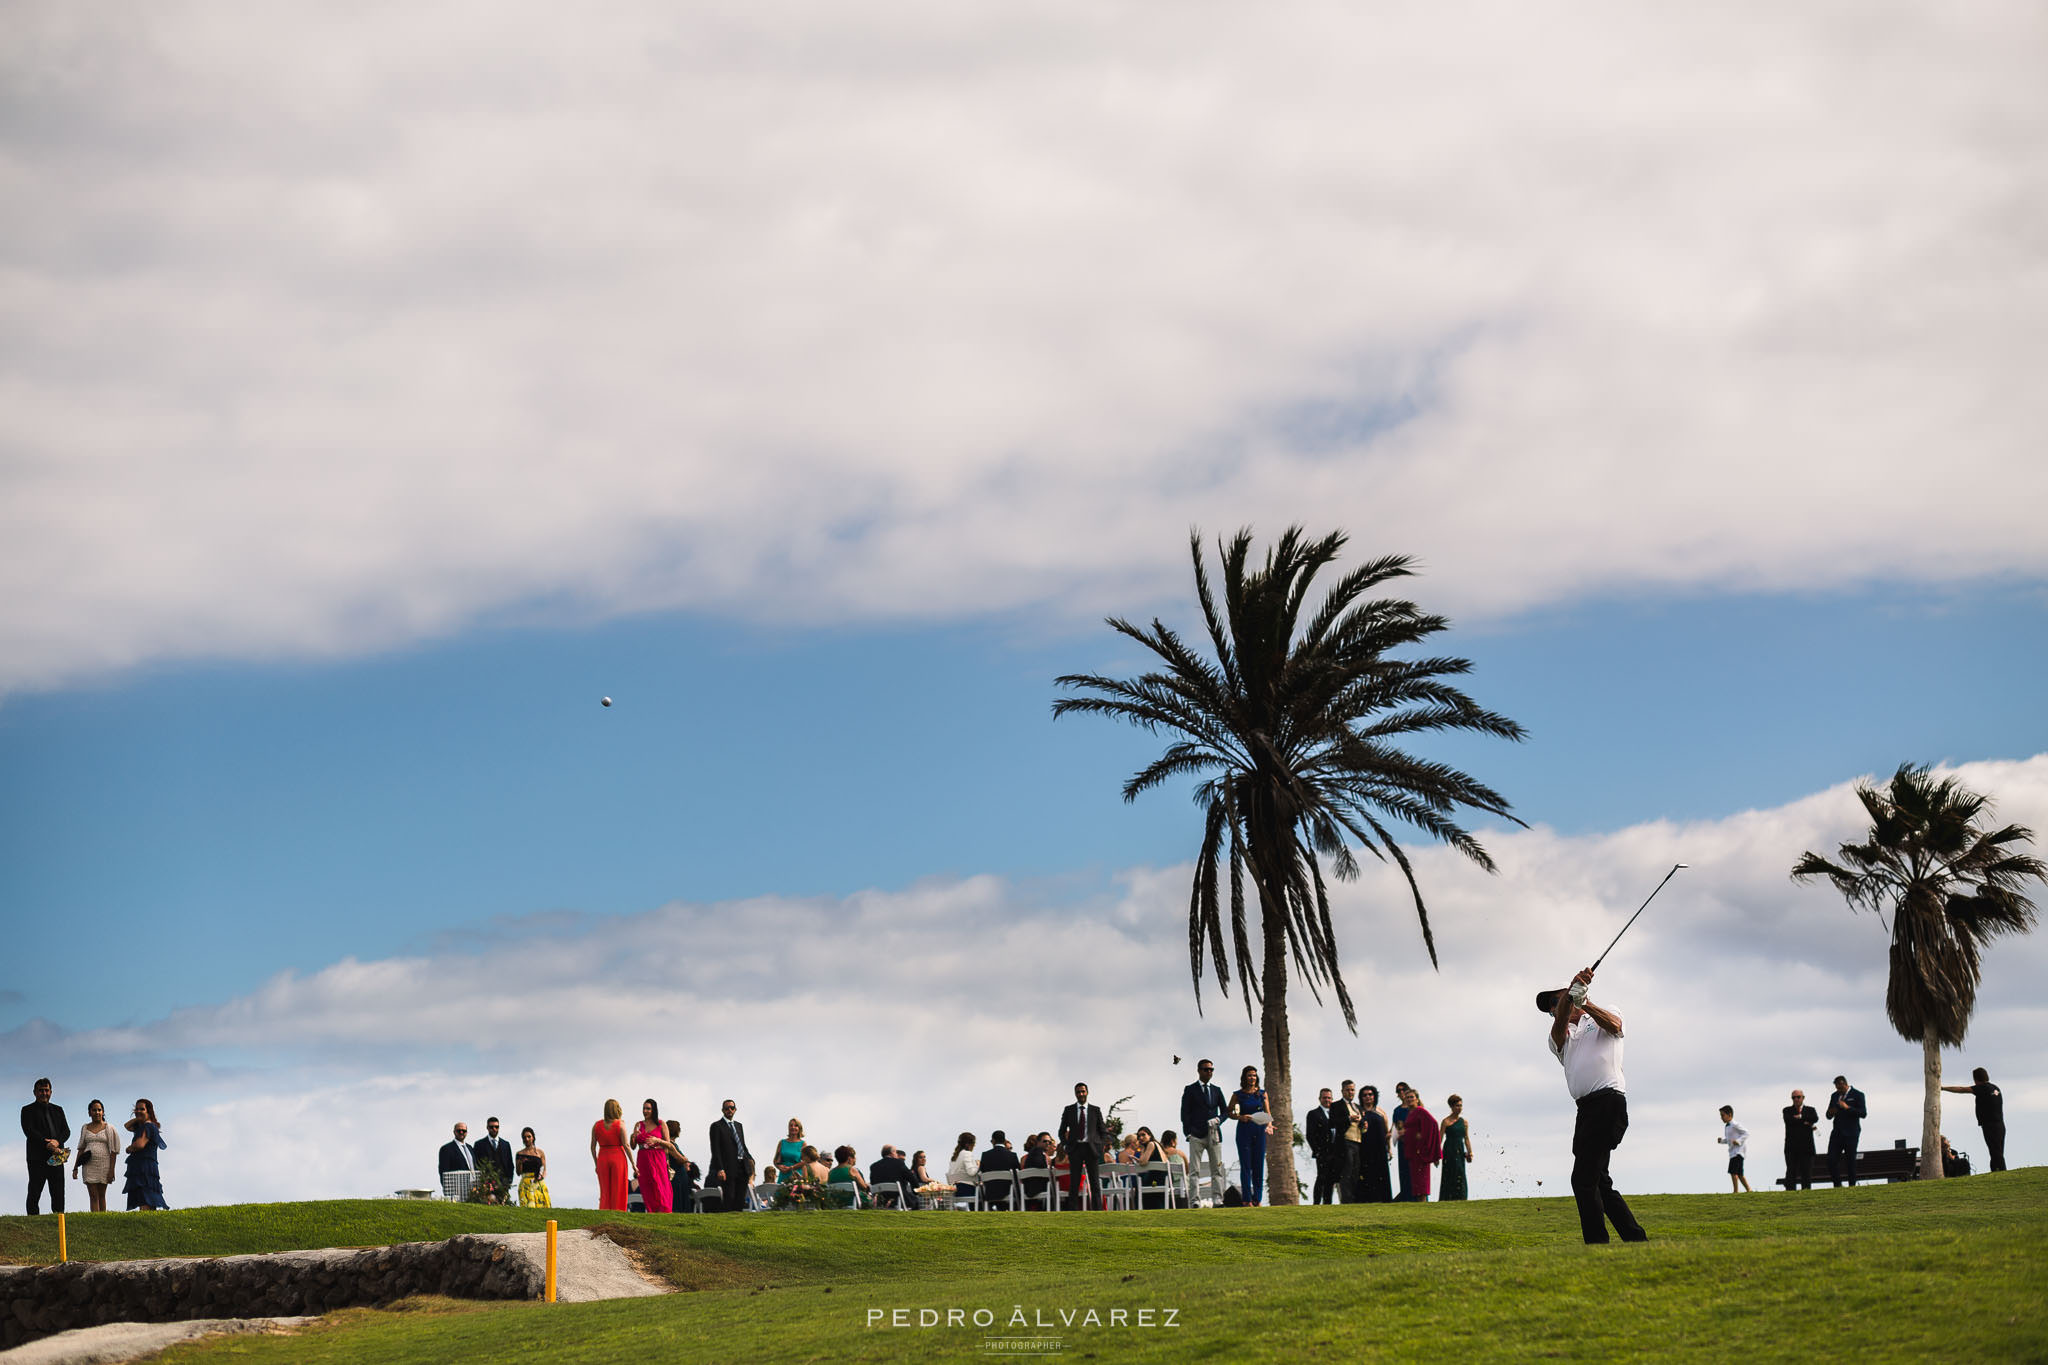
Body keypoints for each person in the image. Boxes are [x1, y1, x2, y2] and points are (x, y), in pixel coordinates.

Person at [1541, 966, 1648, 1244]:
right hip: (1586, 1111)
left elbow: (1615, 1026)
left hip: (1608, 1102)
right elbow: (1558, 1030)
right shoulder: (1558, 1037)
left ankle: (1597, 1245)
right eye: (1552, 1005)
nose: (1553, 1008)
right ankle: (1636, 1239)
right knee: (1599, 1180)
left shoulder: (1604, 1012)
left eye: (1556, 1000)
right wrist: (1569, 1000)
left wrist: (1585, 1002)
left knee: (1583, 1180)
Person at [1180, 1060, 1230, 1206]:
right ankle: (1195, 1200)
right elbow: (1185, 1113)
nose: (1209, 1072)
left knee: (1217, 1169)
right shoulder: (1190, 1089)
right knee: (1194, 1170)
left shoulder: (1216, 1090)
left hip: (1214, 1134)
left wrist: (1218, 1119)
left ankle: (1218, 1199)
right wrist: (1188, 1133)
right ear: (1199, 1071)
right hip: (1196, 1135)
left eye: (1211, 1070)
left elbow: (1225, 1111)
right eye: (1206, 1069)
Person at [1941, 1068, 2006, 1173]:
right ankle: (1995, 1170)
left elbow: (1962, 1089)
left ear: (1976, 1079)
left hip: (1990, 1125)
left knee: (1995, 1151)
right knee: (1998, 1150)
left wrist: (1943, 1088)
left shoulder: (1982, 1088)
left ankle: (2002, 1171)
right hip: (2000, 1124)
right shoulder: (1995, 1088)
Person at [22, 1079, 70, 1216]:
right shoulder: (27, 1110)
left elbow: (66, 1131)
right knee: (34, 1191)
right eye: (41, 1090)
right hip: (37, 1158)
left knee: (58, 1191)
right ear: (35, 1092)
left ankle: (59, 1219)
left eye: (46, 1090)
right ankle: (32, 1220)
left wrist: (57, 1142)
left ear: (51, 1092)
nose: (44, 1093)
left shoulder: (58, 1110)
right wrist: (46, 1144)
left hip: (57, 1156)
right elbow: (29, 1131)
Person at [1058, 1082, 1109, 1211]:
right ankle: (1073, 1211)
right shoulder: (1069, 1110)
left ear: (1087, 1092)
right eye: (1078, 1092)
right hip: (1075, 1149)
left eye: (1083, 1091)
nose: (1081, 1094)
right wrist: (1066, 1146)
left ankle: (1097, 1210)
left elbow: (1103, 1131)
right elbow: (1061, 1131)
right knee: (1074, 1182)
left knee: (1095, 1183)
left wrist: (1100, 1146)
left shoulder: (1095, 1110)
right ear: (1075, 1094)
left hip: (1091, 1149)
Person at [1228, 1065, 1274, 1206]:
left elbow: (1268, 1114)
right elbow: (1230, 1112)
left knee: (1258, 1165)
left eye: (1254, 1075)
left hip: (1259, 1131)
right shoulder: (1238, 1094)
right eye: (1249, 1075)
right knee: (1246, 1166)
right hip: (1244, 1131)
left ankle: (1257, 1199)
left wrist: (1269, 1125)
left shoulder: (1262, 1094)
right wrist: (1240, 1117)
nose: (1252, 1078)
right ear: (1244, 1077)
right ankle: (1247, 1200)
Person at [72, 1099, 119, 1213]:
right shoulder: (85, 1128)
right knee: (93, 1195)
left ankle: (102, 1219)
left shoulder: (109, 1128)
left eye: (99, 1110)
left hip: (104, 1164)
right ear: (89, 1112)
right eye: (94, 1110)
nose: (97, 1112)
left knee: (102, 1195)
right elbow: (81, 1148)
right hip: (88, 1164)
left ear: (103, 1112)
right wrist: (75, 1167)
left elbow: (114, 1151)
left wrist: (111, 1170)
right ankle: (94, 1216)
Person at [122, 1099, 168, 1211]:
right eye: (137, 1109)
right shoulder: (143, 1126)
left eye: (142, 1109)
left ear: (149, 1111)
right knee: (147, 1196)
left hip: (145, 1166)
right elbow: (127, 1126)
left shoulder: (148, 1126)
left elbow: (140, 1144)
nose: (138, 1111)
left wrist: (129, 1148)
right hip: (144, 1166)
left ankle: (145, 1220)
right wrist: (139, 1117)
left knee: (145, 1196)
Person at [708, 1099, 753, 1213]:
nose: (729, 1110)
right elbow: (715, 1149)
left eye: (732, 1108)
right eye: (727, 1108)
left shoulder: (739, 1126)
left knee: (740, 1198)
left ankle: (738, 1222)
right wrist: (720, 1168)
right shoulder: (716, 1126)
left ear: (735, 1109)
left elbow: (742, 1145)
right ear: (723, 1110)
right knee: (729, 1197)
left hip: (743, 1165)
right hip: (728, 1167)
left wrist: (750, 1158)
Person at [632, 1099, 674, 1213]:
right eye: (644, 1108)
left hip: (658, 1157)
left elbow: (669, 1144)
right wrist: (633, 1136)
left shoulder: (661, 1124)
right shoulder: (638, 1124)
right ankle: (652, 1211)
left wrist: (657, 1140)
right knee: (646, 1186)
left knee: (660, 1185)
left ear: (653, 1110)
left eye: (648, 1108)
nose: (645, 1111)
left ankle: (664, 1211)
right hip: (643, 1158)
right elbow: (632, 1146)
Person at [1825, 1076, 1867, 1187]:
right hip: (1837, 1133)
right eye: (1836, 1088)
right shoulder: (1834, 1096)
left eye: (1840, 1088)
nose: (1838, 1090)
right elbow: (1828, 1115)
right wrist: (1831, 1112)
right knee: (1831, 1160)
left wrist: (1847, 1107)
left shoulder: (1857, 1095)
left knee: (1850, 1161)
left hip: (1851, 1133)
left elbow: (1863, 1113)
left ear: (1844, 1084)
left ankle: (1852, 1186)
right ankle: (1837, 1185)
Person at [1400, 1091, 1441, 1201]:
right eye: (1407, 1097)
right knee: (1416, 1182)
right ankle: (1420, 1206)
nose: (1409, 1099)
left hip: (1420, 1152)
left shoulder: (1420, 1111)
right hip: (1412, 1152)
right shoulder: (1410, 1113)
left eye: (1411, 1097)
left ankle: (1423, 1205)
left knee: (1422, 1182)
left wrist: (1422, 1137)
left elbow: (1433, 1124)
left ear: (1417, 1099)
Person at [591, 1099, 630, 1211]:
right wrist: (633, 1163)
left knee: (605, 1190)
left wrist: (596, 1162)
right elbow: (626, 1145)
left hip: (603, 1157)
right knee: (618, 1188)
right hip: (618, 1156)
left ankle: (604, 1210)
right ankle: (618, 1210)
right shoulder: (620, 1124)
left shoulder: (597, 1125)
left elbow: (592, 1147)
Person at [1357, 1086, 1393, 1203]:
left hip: (1380, 1148)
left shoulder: (1381, 1112)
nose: (1368, 1097)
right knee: (1366, 1174)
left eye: (1370, 1094)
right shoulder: (1358, 1111)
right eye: (1365, 1095)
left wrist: (1389, 1149)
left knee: (1381, 1173)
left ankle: (1383, 1199)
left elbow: (1387, 1132)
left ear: (1374, 1096)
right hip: (1364, 1148)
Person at [1305, 1087, 1340, 1205]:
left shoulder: (1336, 1114)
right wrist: (1317, 1151)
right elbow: (1310, 1135)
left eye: (1329, 1098)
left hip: (1334, 1151)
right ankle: (1316, 1202)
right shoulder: (1313, 1114)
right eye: (1324, 1098)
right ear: (1319, 1099)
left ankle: (1327, 1203)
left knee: (1331, 1180)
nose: (1327, 1100)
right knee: (1321, 1177)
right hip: (1322, 1151)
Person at [1782, 1089, 1819, 1190]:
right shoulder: (1787, 1110)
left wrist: (1800, 1117)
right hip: (1791, 1146)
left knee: (1806, 1172)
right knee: (1791, 1171)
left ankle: (1806, 1193)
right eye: (1794, 1097)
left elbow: (1815, 1118)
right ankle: (1790, 1193)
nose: (1796, 1099)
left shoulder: (1810, 1110)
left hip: (1807, 1146)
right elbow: (1789, 1120)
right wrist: (1805, 1121)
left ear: (1803, 1098)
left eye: (1798, 1097)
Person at [471, 1117, 515, 1202]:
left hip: (503, 1184)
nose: (494, 1129)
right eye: (491, 1127)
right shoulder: (479, 1144)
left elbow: (510, 1165)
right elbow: (476, 1165)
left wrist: (508, 1183)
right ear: (487, 1128)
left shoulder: (506, 1144)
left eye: (496, 1127)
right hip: (486, 1184)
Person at [1335, 1082, 1365, 1203]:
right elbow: (1333, 1122)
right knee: (1346, 1171)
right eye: (1348, 1090)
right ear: (1342, 1091)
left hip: (1358, 1142)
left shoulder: (1358, 1107)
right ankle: (1346, 1200)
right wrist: (1348, 1119)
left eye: (1352, 1090)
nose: (1350, 1092)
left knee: (1355, 1172)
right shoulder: (1337, 1105)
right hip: (1346, 1142)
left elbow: (1362, 1125)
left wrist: (1364, 1125)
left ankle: (1354, 1198)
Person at [978, 1130, 1022, 1210]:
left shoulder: (985, 1155)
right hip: (1008, 1191)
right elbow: (1018, 1173)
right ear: (1004, 1141)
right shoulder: (1012, 1155)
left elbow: (982, 1172)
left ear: (993, 1141)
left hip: (990, 1192)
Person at [1439, 1094, 1471, 1202]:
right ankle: (1447, 1198)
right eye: (1457, 1105)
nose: (1459, 1108)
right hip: (1449, 1150)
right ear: (1451, 1107)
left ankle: (1461, 1197)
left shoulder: (1464, 1122)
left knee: (1460, 1173)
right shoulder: (1445, 1121)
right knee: (1449, 1173)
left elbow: (1466, 1138)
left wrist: (1470, 1152)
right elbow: (1440, 1138)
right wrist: (1437, 1154)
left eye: (1461, 1105)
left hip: (1460, 1150)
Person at [665, 1121, 702, 1210]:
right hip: (677, 1177)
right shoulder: (670, 1144)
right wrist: (685, 1159)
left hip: (680, 1177)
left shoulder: (673, 1144)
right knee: (678, 1202)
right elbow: (681, 1159)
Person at [1717, 1105, 1752, 1193]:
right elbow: (1729, 1140)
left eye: (1723, 1115)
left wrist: (1738, 1141)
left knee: (1733, 1172)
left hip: (1738, 1152)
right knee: (1740, 1174)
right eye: (1721, 1115)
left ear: (1729, 1115)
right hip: (1732, 1153)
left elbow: (1746, 1133)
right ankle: (1749, 1189)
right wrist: (1721, 1141)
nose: (1721, 1118)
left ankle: (1736, 1191)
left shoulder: (1735, 1125)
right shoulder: (1727, 1126)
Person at [438, 1122, 476, 1201]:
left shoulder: (470, 1148)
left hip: (472, 1189)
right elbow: (443, 1171)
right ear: (454, 1132)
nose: (461, 1132)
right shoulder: (446, 1149)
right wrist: (447, 1191)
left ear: (467, 1132)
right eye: (459, 1130)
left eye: (464, 1131)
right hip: (456, 1189)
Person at [516, 1127, 551, 1207]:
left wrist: (542, 1176)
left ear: (533, 1137)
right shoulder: (519, 1154)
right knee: (528, 1207)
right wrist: (520, 1163)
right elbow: (518, 1172)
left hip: (538, 1183)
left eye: (529, 1136)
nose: (527, 1139)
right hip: (525, 1183)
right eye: (524, 1137)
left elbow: (544, 1169)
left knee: (542, 1207)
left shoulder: (540, 1152)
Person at [1390, 1084, 1414, 1202]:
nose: (1401, 1092)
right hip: (1402, 1144)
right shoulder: (1397, 1110)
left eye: (1403, 1089)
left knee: (1414, 1172)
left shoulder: (1416, 1108)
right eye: (1398, 1091)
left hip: (1414, 1144)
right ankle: (1406, 1197)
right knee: (1404, 1172)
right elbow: (1394, 1127)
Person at [770, 1118, 807, 1182]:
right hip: (783, 1174)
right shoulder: (782, 1142)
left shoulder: (803, 1143)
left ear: (799, 1128)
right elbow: (775, 1160)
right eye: (791, 1125)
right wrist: (779, 1167)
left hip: (796, 1175)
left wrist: (791, 1168)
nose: (793, 1127)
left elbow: (805, 1161)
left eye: (796, 1125)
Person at [946, 1132, 980, 1198]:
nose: (974, 1145)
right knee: (985, 1193)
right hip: (967, 1189)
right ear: (968, 1144)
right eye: (973, 1143)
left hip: (955, 1189)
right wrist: (978, 1165)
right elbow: (971, 1172)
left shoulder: (954, 1157)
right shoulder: (967, 1154)